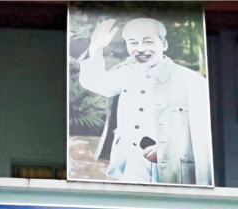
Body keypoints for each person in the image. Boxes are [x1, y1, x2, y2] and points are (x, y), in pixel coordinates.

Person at [78, 17, 213, 186]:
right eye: (133, 43)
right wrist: (95, 48)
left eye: (148, 42)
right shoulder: (125, 73)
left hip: (173, 170)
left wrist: (166, 150)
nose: (140, 49)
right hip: (129, 166)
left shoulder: (192, 81)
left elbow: (202, 137)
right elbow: (93, 82)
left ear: (163, 44)